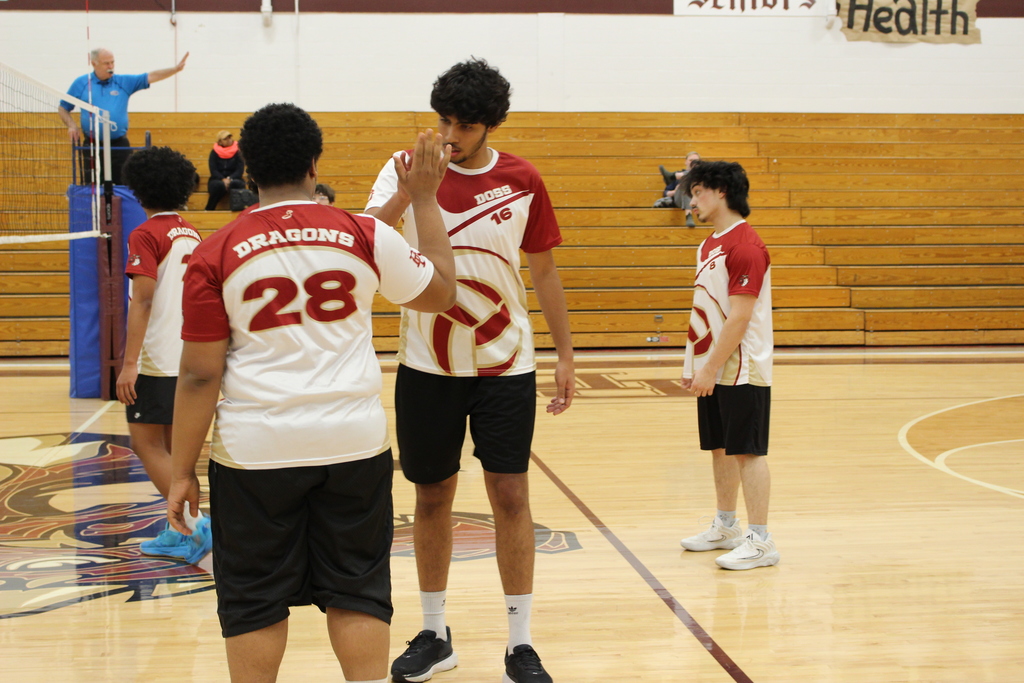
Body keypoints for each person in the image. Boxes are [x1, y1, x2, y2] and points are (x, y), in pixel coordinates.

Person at [165, 102, 456, 683]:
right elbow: (442, 293)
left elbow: (200, 374)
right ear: (314, 161)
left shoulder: (216, 250)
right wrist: (424, 196)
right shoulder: (362, 233)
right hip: (352, 443)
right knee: (357, 591)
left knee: (253, 600)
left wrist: (179, 471)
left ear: (246, 168)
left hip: (255, 451)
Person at [365, 58, 575, 683]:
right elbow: (364, 238)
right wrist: (411, 188)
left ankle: (520, 641)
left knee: (510, 495)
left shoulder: (522, 180)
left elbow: (544, 273)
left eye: (463, 125)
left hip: (506, 365)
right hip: (426, 365)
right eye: (443, 121)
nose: (450, 135)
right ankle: (434, 633)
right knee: (431, 497)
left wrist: (565, 355)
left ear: (490, 125)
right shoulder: (405, 167)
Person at [678, 160, 779, 571]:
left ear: (721, 191)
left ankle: (761, 541)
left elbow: (739, 317)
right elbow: (705, 311)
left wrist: (709, 367)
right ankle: (726, 526)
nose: (692, 201)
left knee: (747, 452)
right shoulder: (708, 244)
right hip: (714, 366)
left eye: (698, 191)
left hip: (742, 368)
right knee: (720, 447)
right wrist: (695, 363)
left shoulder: (746, 247)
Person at [115, 145, 210, 565]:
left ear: (139, 190)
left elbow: (143, 300)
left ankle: (195, 527)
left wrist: (130, 362)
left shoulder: (145, 233)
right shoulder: (190, 231)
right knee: (173, 448)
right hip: (189, 352)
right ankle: (178, 530)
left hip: (159, 357)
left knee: (145, 442)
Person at [59, 48, 189, 185]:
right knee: (93, 188)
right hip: (92, 145)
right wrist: (71, 125)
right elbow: (63, 108)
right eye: (106, 63)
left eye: (112, 63)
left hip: (119, 146)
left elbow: (151, 76)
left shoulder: (123, 82)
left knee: (122, 186)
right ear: (94, 64)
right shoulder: (81, 83)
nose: (111, 67)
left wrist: (175, 69)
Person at [654, 151, 701, 228]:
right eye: (691, 160)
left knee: (691, 178)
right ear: (685, 162)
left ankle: (672, 176)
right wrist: (675, 191)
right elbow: (666, 193)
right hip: (680, 200)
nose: (693, 163)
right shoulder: (680, 175)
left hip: (698, 200)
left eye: (696, 161)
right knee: (684, 183)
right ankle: (688, 215)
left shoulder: (703, 177)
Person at [205, 130, 245, 210]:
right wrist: (222, 179)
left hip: (234, 178)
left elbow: (239, 169)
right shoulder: (214, 152)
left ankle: (236, 209)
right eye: (225, 139)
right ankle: (209, 208)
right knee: (218, 186)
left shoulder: (238, 152)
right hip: (217, 178)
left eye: (229, 137)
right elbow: (213, 169)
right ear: (220, 142)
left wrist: (229, 179)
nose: (229, 140)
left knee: (236, 184)